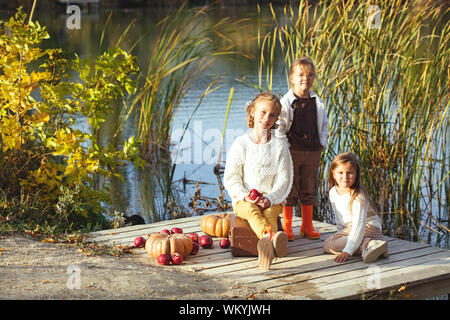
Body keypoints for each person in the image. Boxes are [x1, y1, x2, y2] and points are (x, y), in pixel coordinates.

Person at [224, 92, 293, 270]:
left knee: (270, 213)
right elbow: (232, 178)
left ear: (277, 118)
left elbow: (284, 179)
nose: (267, 118)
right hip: (244, 200)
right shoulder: (241, 144)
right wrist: (245, 195)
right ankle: (270, 238)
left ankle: (266, 253)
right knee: (253, 211)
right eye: (263, 112)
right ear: (252, 112)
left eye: (272, 115)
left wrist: (270, 197)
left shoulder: (280, 146)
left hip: (272, 199)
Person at [275, 57, 329, 240]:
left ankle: (307, 225)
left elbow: (324, 125)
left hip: (313, 150)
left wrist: (322, 143)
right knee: (291, 187)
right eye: (301, 75)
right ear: (292, 78)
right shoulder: (287, 102)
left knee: (309, 185)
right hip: (293, 151)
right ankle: (288, 226)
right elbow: (280, 128)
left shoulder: (317, 101)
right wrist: (285, 147)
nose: (306, 78)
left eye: (310, 75)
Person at [323, 152, 388, 263]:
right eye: (340, 173)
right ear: (333, 174)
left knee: (329, 245)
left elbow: (359, 226)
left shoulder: (358, 197)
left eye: (349, 173)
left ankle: (369, 244)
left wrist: (348, 250)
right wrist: (339, 234)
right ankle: (371, 247)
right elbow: (339, 219)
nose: (345, 177)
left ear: (356, 174)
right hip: (351, 229)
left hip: (369, 229)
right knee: (331, 243)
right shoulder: (333, 192)